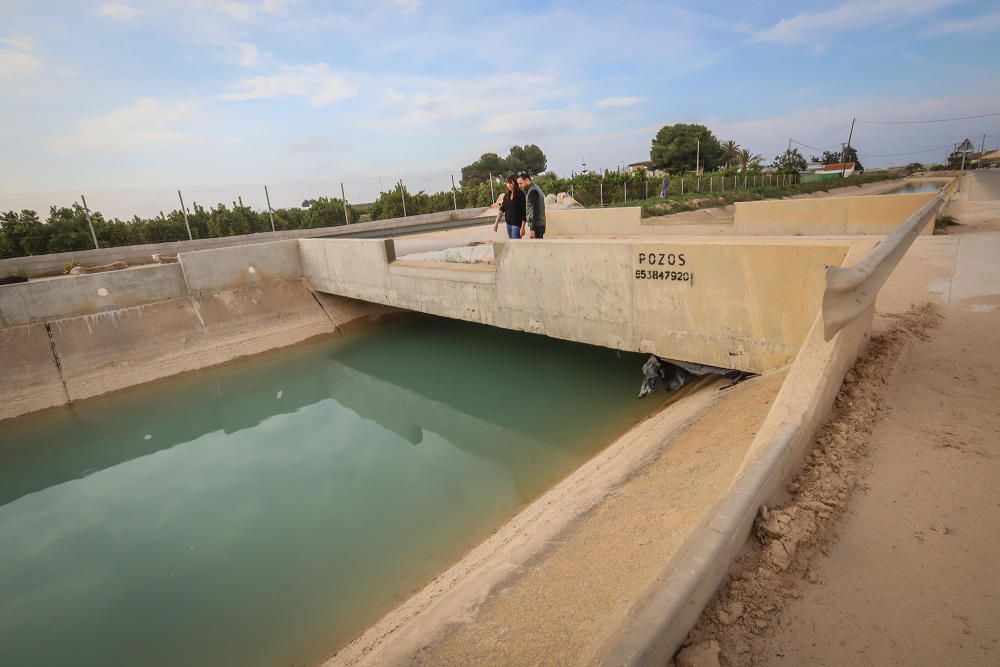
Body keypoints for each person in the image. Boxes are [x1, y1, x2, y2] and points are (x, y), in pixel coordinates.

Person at [492, 174, 526, 239]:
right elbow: (502, 209)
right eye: (507, 183)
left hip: (516, 226)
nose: (509, 185)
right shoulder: (506, 196)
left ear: (515, 183)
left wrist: (523, 227)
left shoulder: (521, 195)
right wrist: (496, 223)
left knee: (516, 246)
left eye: (511, 183)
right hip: (508, 225)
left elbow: (524, 212)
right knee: (511, 245)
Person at [517, 172, 546, 239]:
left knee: (537, 248)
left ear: (527, 180)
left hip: (537, 226)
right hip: (537, 225)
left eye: (521, 183)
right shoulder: (533, 189)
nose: (519, 186)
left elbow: (535, 211)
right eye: (518, 184)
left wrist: (533, 230)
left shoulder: (532, 191)